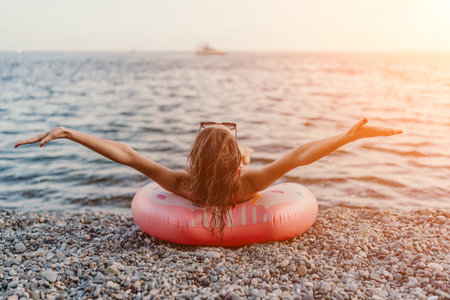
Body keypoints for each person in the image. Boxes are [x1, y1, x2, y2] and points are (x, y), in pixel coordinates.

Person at [15, 118, 402, 238]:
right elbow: (299, 156)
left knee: (247, 159)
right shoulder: (247, 184)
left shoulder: (184, 185)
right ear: (234, 164)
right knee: (255, 161)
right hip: (237, 179)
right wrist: (347, 137)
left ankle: (227, 150)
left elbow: (128, 156)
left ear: (195, 160)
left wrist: (69, 133)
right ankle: (242, 151)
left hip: (217, 176)